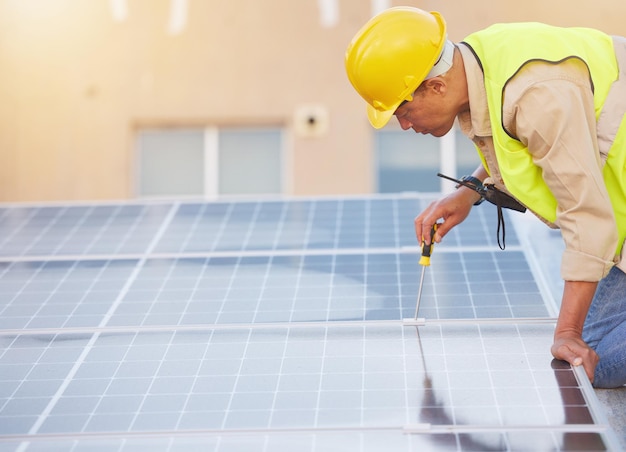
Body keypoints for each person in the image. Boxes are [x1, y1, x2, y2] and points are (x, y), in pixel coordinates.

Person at [345, 6, 626, 388]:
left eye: (404, 110)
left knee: (593, 360)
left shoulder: (536, 95)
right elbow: (526, 141)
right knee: (587, 349)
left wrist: (566, 333)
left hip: (608, 214)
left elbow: (589, 218)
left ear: (436, 86)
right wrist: (471, 190)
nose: (405, 125)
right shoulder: (478, 60)